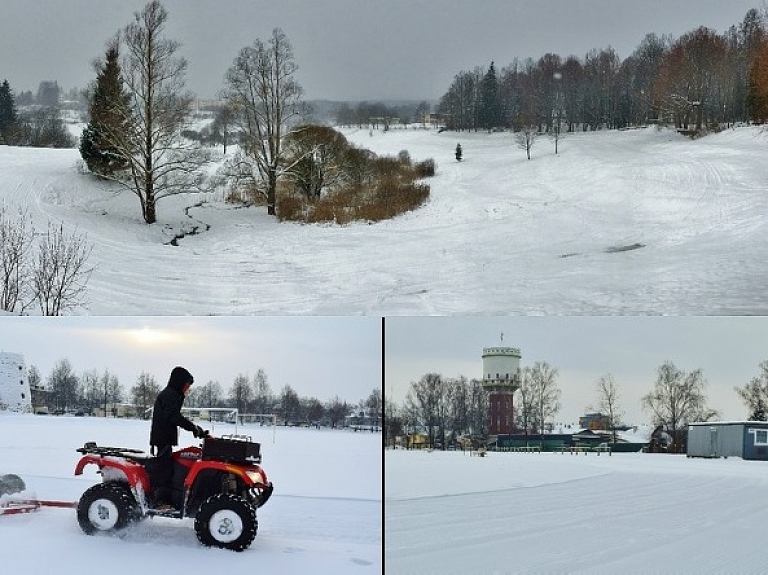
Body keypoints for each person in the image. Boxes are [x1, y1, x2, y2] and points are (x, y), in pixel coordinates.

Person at [149, 366, 208, 509]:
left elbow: (174, 416)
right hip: (162, 437)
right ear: (179, 382)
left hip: (165, 436)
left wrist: (194, 428)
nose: (187, 388)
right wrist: (192, 427)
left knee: (170, 465)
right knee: (164, 468)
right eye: (187, 385)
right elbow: (174, 416)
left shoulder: (173, 394)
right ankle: (159, 501)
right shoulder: (170, 395)